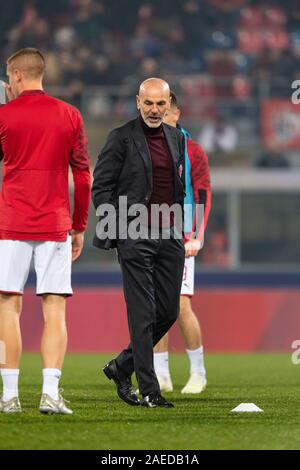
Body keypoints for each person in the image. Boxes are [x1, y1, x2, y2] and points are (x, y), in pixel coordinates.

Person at [0, 48, 91, 414]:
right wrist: (79, 225)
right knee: (55, 310)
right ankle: (50, 394)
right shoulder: (69, 115)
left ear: (17, 76)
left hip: (11, 224)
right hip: (55, 225)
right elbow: (83, 178)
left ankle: (9, 396)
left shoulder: (4, 116)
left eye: (9, 76)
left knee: (8, 306)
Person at [92, 78, 185, 408]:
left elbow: (178, 187)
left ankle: (121, 366)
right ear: (137, 102)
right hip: (134, 235)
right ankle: (149, 390)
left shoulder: (176, 138)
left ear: (168, 104)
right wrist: (119, 233)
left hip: (169, 234)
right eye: (149, 103)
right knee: (143, 314)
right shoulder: (121, 137)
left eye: (161, 104)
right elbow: (100, 189)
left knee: (169, 311)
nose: (155, 110)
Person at [154, 92, 211, 394]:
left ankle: (198, 372)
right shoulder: (142, 147)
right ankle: (161, 374)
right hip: (150, 235)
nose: (158, 116)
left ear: (176, 114)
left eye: (164, 110)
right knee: (153, 305)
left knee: (179, 304)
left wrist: (197, 236)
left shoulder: (192, 151)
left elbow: (202, 194)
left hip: (181, 237)